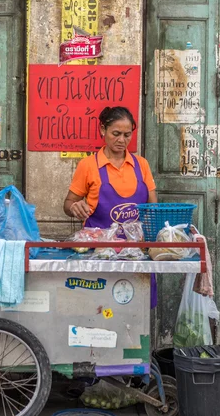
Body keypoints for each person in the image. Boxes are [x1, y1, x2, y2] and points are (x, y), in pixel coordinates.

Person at [63, 106, 158, 307]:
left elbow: (153, 209)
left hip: (135, 255)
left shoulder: (142, 165)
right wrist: (75, 207)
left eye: (127, 135)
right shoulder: (88, 166)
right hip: (100, 254)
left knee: (136, 310)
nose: (121, 140)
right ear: (102, 130)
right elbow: (68, 203)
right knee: (100, 309)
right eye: (116, 134)